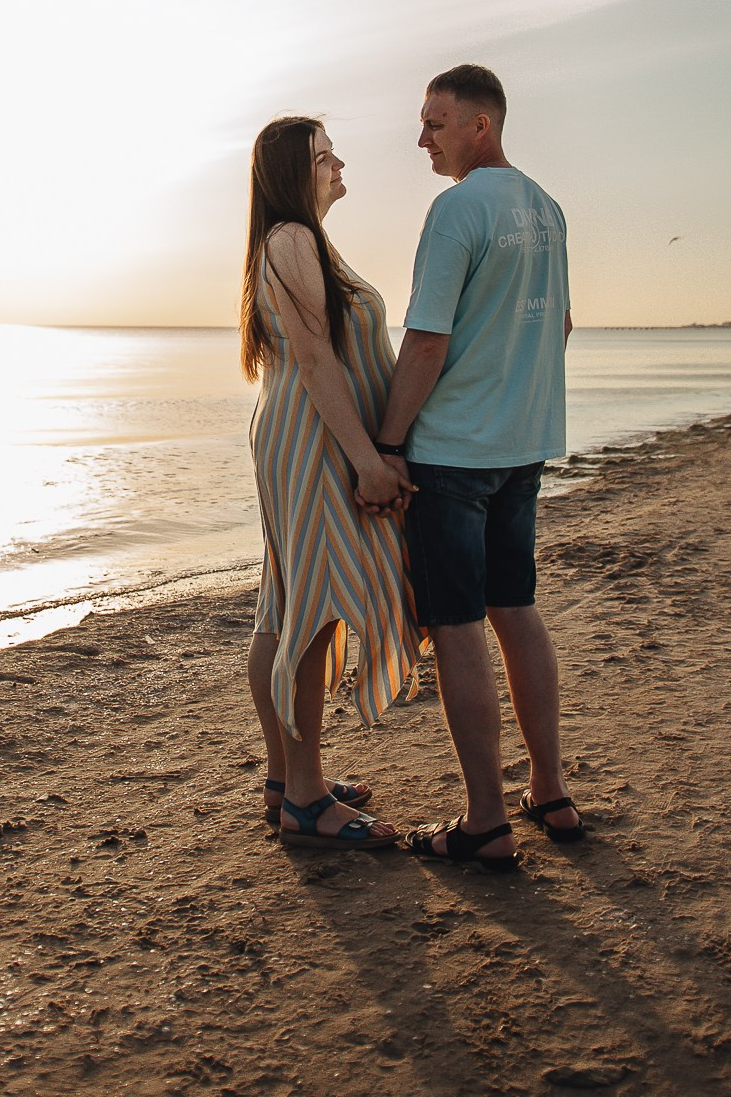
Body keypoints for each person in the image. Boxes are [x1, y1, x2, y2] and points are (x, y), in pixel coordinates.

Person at [372, 65, 581, 872]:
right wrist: (516, 403)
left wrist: (390, 444)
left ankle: (486, 819)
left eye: (435, 123)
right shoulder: (547, 208)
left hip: (453, 454)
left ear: (479, 125)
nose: (422, 138)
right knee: (516, 609)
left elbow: (427, 340)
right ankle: (550, 791)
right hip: (519, 451)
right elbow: (557, 324)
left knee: (458, 626)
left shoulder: (458, 208)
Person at [241, 115, 420, 851]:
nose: (339, 162)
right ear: (293, 171)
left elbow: (316, 360)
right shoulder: (292, 239)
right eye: (323, 156)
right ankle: (307, 800)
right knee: (308, 605)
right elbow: (318, 363)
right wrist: (370, 461)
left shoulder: (295, 240)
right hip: (313, 437)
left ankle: (287, 779)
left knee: (284, 602)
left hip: (295, 431)